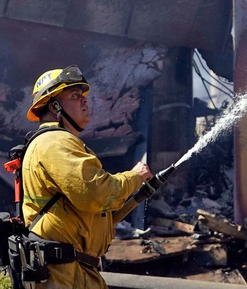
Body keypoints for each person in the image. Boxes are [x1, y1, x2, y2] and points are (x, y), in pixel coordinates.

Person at [22, 66, 153, 289]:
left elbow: (78, 205)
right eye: (75, 96)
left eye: (83, 96)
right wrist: (135, 177)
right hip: (63, 273)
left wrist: (98, 228)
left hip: (74, 270)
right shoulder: (56, 142)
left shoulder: (54, 141)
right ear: (54, 106)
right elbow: (94, 193)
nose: (84, 101)